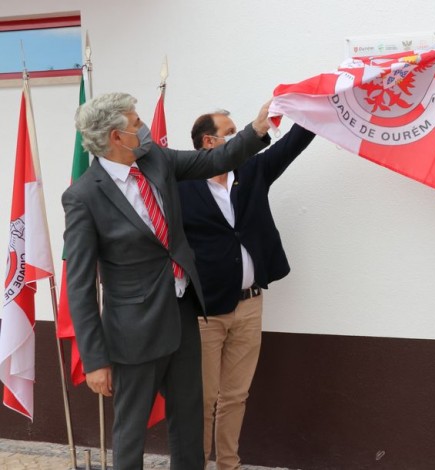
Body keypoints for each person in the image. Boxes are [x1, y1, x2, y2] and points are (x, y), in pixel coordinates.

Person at [62, 92, 273, 470]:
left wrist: (257, 129)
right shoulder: (83, 197)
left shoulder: (155, 160)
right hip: (133, 333)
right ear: (115, 136)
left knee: (190, 420)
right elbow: (78, 285)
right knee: (131, 432)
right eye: (135, 122)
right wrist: (94, 359)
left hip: (181, 314)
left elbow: (215, 158)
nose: (143, 127)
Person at [178, 110, 315, 469]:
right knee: (205, 400)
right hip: (205, 311)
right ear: (210, 141)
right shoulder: (181, 186)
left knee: (236, 396)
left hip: (250, 306)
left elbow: (292, 145)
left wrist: (319, 108)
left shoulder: (251, 172)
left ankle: (228, 463)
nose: (239, 137)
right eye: (230, 132)